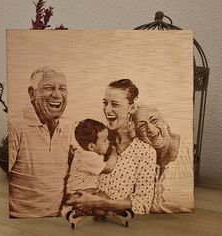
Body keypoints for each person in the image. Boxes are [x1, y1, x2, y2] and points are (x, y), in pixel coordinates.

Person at [66, 79, 156, 215]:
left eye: (115, 104)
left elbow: (142, 205)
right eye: (105, 103)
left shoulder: (145, 152)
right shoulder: (94, 141)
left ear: (131, 108)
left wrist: (97, 203)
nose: (107, 110)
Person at [9, 66, 72, 218]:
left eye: (62, 88)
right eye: (49, 88)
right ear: (32, 93)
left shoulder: (68, 128)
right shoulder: (15, 126)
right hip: (21, 219)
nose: (57, 94)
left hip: (56, 217)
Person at [134, 105, 194, 213]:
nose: (150, 129)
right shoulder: (141, 158)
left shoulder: (187, 149)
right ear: (138, 135)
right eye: (142, 126)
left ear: (164, 121)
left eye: (154, 120)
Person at [66, 119, 117, 216]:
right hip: (78, 192)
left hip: (77, 191)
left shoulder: (83, 152)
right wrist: (114, 153)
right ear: (91, 147)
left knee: (100, 199)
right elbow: (108, 168)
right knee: (103, 198)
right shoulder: (89, 156)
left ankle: (97, 216)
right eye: (104, 140)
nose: (108, 142)